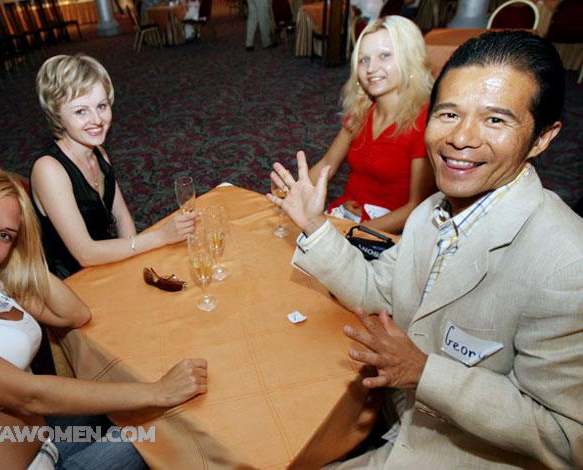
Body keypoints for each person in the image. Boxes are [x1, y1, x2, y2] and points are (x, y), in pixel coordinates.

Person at [269, 30, 582, 468]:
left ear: (542, 138)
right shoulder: (431, 212)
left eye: (495, 120)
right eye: (449, 114)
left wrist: (424, 372)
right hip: (397, 410)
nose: (461, 138)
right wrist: (315, 225)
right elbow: (378, 292)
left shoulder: (568, 263)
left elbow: (567, 438)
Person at [0, 162, 208, 469]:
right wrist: (158, 391)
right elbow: (28, 396)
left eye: (5, 235)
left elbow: (73, 314)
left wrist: (19, 256)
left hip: (48, 439)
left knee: (166, 407)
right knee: (172, 428)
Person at [32, 54, 196, 279]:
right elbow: (85, 253)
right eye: (81, 111)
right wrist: (160, 237)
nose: (97, 120)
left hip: (109, 263)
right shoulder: (49, 169)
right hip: (76, 281)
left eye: (101, 106)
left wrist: (134, 265)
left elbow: (121, 216)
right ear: (57, 116)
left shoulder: (98, 153)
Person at [308, 16, 435, 234]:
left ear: (410, 60)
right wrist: (293, 192)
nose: (371, 68)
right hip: (346, 217)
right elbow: (327, 165)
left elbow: (417, 207)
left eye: (384, 56)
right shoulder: (361, 111)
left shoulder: (424, 123)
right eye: (364, 59)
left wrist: (356, 231)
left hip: (387, 233)